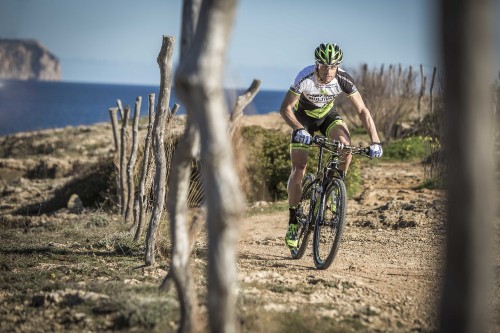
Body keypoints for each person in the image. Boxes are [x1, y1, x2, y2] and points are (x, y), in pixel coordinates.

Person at [279, 43, 383, 250]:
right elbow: (286, 108)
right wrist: (299, 129)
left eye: (333, 66)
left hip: (327, 117)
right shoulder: (305, 77)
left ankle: (337, 190)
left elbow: (362, 110)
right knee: (299, 169)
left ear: (338, 67)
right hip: (303, 120)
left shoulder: (343, 79)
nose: (328, 71)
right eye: (324, 66)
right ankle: (293, 222)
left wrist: (375, 140)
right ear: (317, 64)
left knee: (346, 146)